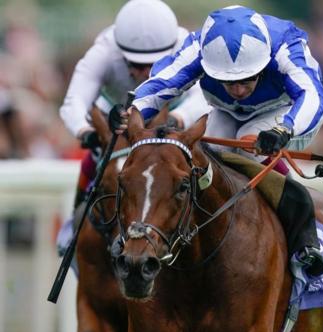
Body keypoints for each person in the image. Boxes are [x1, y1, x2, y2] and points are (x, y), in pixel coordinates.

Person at [114, 5, 323, 278]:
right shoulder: (199, 49)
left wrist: (284, 130)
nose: (239, 90)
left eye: (247, 79)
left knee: (244, 141)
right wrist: (130, 112)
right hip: (225, 112)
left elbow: (312, 96)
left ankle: (304, 237)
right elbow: (160, 84)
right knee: (207, 156)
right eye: (228, 82)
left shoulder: (286, 46)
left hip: (285, 113)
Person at [57, 0, 209, 259]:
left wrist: (177, 118)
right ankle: (75, 224)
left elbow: (205, 97)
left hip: (172, 120)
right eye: (135, 65)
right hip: (120, 117)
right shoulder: (104, 49)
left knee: (204, 158)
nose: (143, 73)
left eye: (151, 65)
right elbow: (74, 101)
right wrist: (86, 133)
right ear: (121, 52)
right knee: (94, 161)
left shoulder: (188, 46)